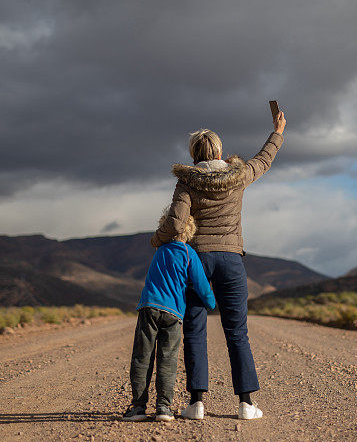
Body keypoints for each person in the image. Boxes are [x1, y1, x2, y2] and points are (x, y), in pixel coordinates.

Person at [151, 109, 286, 420]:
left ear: (194, 154)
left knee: (194, 329)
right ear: (220, 151)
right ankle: (246, 405)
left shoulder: (186, 181)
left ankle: (196, 404)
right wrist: (278, 132)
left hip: (195, 260)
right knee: (237, 331)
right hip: (231, 259)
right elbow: (264, 160)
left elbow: (175, 222)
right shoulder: (238, 177)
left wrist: (157, 240)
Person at [123, 213, 216, 422]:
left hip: (149, 307)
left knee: (142, 357)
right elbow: (201, 285)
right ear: (190, 232)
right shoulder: (189, 253)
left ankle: (138, 407)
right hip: (173, 313)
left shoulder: (159, 251)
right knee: (168, 359)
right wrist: (211, 304)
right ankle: (164, 408)